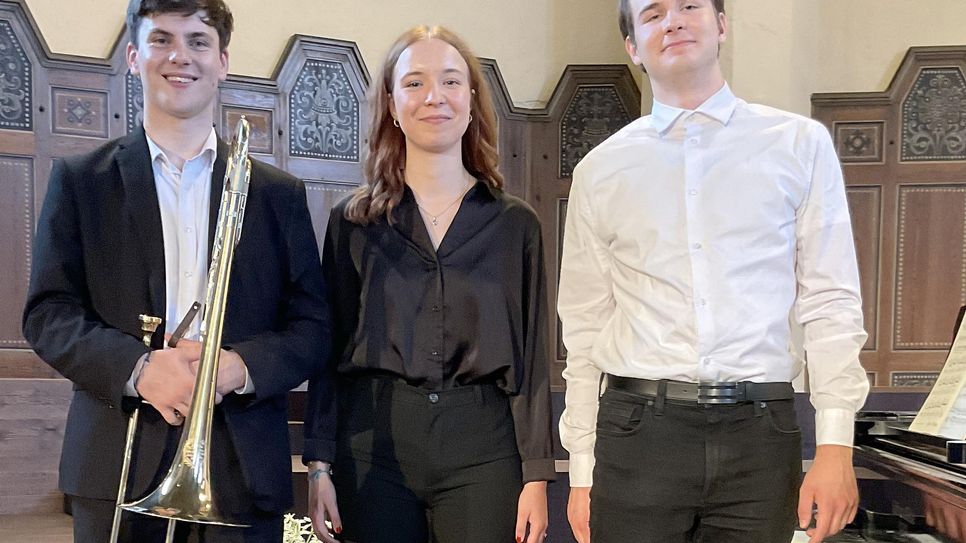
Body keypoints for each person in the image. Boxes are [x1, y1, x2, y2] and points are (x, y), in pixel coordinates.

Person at [557, 1, 870, 542]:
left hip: (760, 432)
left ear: (722, 24)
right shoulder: (599, 171)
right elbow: (584, 327)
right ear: (633, 47)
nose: (673, 21)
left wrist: (836, 445)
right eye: (652, 14)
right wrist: (582, 470)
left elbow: (831, 301)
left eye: (690, 5)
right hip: (638, 432)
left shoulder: (799, 145)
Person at [21, 0, 330, 541]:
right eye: (161, 39)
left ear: (223, 60)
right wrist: (139, 368)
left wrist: (237, 366)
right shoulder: (81, 181)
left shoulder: (277, 194)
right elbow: (48, 313)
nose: (179, 56)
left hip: (243, 466)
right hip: (117, 461)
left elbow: (314, 327)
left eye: (197, 41)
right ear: (134, 57)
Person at [302, 25, 555, 543]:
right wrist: (319, 462)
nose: (433, 97)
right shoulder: (353, 223)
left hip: (483, 446)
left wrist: (536, 474)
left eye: (450, 82)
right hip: (375, 442)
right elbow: (328, 353)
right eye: (414, 83)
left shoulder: (515, 225)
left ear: (471, 100)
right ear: (392, 105)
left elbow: (531, 355)